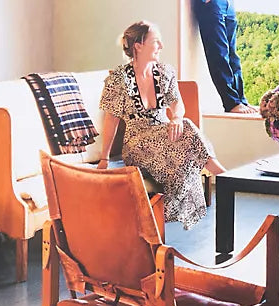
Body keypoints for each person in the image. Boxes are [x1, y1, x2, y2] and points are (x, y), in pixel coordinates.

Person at [96, 20, 225, 230]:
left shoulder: (165, 72)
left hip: (165, 134)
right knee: (187, 132)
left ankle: (219, 175)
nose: (161, 46)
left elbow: (178, 104)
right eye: (156, 41)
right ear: (138, 45)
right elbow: (112, 118)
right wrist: (104, 158)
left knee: (185, 126)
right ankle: (224, 177)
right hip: (137, 143)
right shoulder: (118, 78)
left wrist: (175, 118)